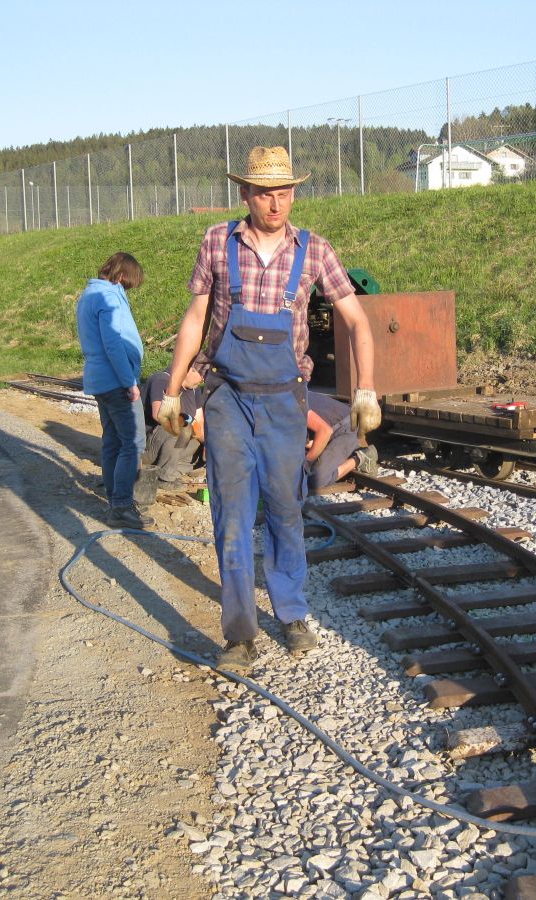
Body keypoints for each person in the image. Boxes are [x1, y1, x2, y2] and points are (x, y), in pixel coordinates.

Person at [157, 146, 381, 676]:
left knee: (285, 508)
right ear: (245, 194)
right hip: (228, 398)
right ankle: (239, 634)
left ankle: (292, 613)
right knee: (232, 517)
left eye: (283, 192)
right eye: (264, 193)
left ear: (294, 194)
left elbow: (357, 321)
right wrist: (172, 389)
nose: (275, 203)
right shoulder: (218, 241)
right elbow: (195, 317)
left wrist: (366, 389)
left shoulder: (315, 250)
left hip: (285, 401)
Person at [75, 252, 153, 530]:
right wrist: (129, 381)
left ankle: (115, 499)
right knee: (133, 442)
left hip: (99, 379)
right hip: (116, 380)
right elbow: (113, 343)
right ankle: (121, 506)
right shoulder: (107, 297)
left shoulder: (88, 294)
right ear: (120, 276)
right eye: (128, 284)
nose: (127, 289)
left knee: (112, 441)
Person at [142, 366, 205, 490]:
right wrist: (189, 420)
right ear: (190, 369)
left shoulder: (194, 390)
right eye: (202, 374)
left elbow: (200, 422)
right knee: (182, 430)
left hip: (169, 447)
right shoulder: (161, 380)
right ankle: (164, 478)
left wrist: (209, 445)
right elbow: (159, 415)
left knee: (205, 442)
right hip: (148, 446)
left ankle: (172, 470)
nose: (203, 379)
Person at [306, 390, 379, 491]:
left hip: (346, 427)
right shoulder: (287, 396)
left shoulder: (291, 406)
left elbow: (325, 431)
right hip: (331, 426)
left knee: (316, 479)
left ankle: (361, 457)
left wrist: (307, 460)